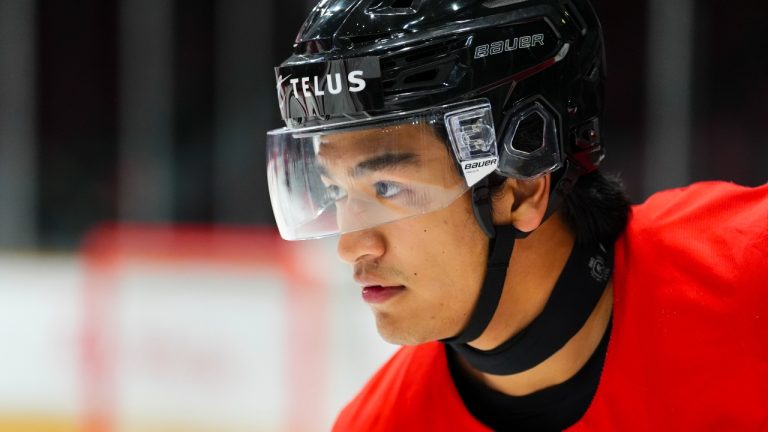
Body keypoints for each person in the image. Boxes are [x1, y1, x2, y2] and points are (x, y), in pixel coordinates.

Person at [265, 0, 768, 430]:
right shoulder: (383, 422)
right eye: (335, 189)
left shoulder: (748, 267)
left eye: (386, 186)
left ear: (524, 186)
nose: (351, 245)